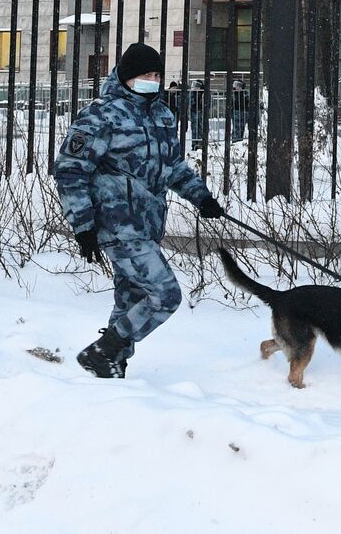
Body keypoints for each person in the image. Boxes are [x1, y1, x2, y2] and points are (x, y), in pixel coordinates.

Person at [54, 43, 226, 378]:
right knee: (165, 294)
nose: (152, 79)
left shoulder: (161, 115)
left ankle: (110, 365)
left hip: (148, 223)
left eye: (157, 74)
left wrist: (201, 198)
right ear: (127, 76)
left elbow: (173, 167)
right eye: (145, 74)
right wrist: (83, 225)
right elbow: (71, 170)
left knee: (131, 299)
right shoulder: (102, 115)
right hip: (116, 224)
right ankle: (103, 352)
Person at [188, 78, 208, 150]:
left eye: (196, 85)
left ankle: (200, 144)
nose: (194, 87)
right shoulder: (192, 93)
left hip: (201, 112)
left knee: (201, 129)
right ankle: (194, 144)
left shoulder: (203, 93)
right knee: (194, 129)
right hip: (194, 112)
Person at [230, 78, 248, 142]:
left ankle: (240, 140)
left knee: (241, 127)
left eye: (237, 85)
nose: (235, 87)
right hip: (236, 112)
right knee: (236, 127)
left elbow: (247, 102)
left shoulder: (245, 94)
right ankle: (235, 140)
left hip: (244, 112)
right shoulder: (233, 93)